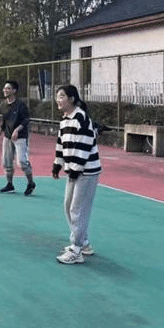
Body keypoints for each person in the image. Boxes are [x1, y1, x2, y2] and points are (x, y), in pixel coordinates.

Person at [52, 84, 102, 264]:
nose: (58, 100)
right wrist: (57, 164)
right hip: (74, 171)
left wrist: (75, 168)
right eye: (57, 96)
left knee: (77, 209)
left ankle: (76, 249)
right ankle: (84, 242)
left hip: (87, 171)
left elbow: (84, 144)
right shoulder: (65, 120)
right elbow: (61, 144)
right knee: (68, 206)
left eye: (61, 96)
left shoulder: (81, 118)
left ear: (71, 99)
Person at [0, 80, 36, 195]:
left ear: (14, 91)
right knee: (6, 162)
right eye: (4, 88)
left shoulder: (21, 105)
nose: (5, 90)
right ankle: (10, 185)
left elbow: (26, 120)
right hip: (8, 136)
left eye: (8, 88)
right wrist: (0, 130)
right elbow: (4, 119)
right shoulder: (3, 104)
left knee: (21, 161)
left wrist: (17, 130)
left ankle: (30, 183)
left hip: (20, 136)